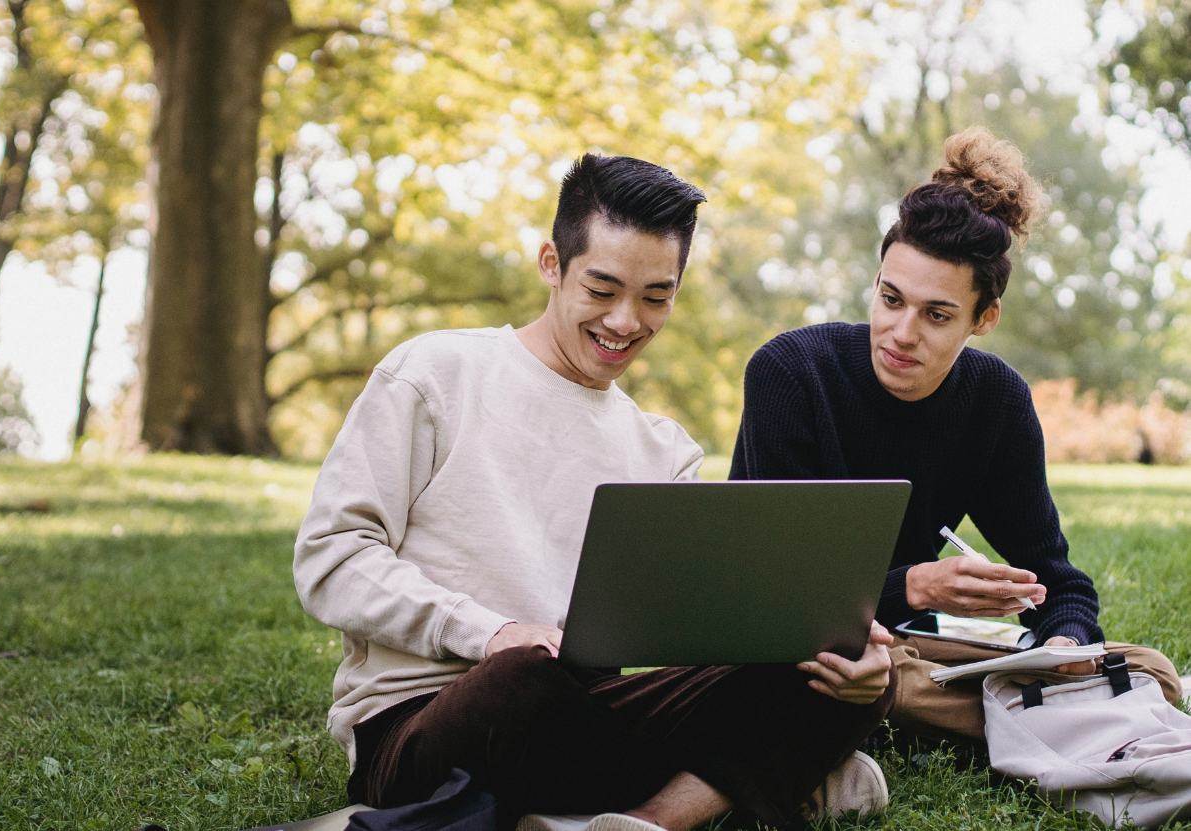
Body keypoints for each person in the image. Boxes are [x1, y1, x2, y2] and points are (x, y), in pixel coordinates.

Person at [295, 154, 897, 831]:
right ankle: (751, 782)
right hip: (435, 723)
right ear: (552, 263)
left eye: (655, 297)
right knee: (522, 681)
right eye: (602, 288)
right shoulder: (433, 373)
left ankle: (643, 819)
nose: (625, 321)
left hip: (592, 714)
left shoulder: (664, 450)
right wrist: (490, 632)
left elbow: (692, 640)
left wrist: (827, 651)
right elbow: (332, 559)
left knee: (844, 667)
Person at [728, 127, 1183, 744]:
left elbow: (1059, 582)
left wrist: (1064, 646)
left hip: (906, 654)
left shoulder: (995, 400)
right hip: (797, 650)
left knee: (1150, 670)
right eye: (890, 299)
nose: (900, 332)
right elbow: (774, 599)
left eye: (936, 315)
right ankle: (1041, 714)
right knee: (851, 674)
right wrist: (917, 585)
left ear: (984, 318)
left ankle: (1030, 700)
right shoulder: (791, 373)